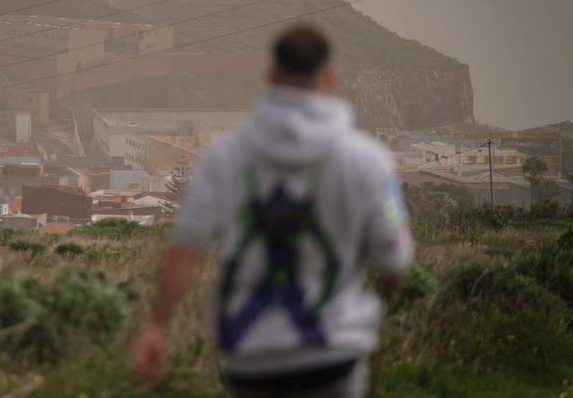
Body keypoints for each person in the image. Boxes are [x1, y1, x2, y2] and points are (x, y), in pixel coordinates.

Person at [134, 25, 413, 397]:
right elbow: (393, 258)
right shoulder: (370, 161)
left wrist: (156, 326)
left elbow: (185, 250)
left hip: (250, 357)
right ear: (330, 78)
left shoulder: (224, 157)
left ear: (269, 75)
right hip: (334, 352)